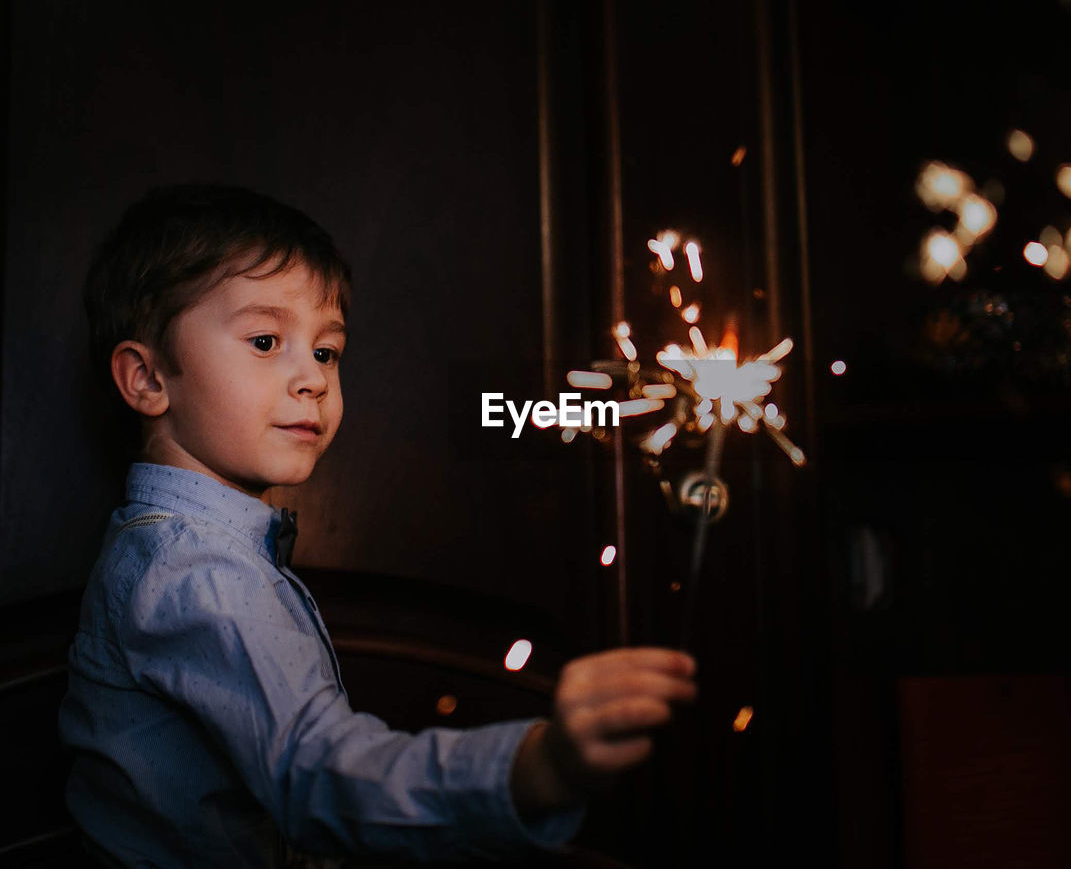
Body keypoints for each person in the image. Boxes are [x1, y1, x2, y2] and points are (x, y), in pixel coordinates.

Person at [59, 184, 698, 867]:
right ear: (147, 378)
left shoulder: (181, 547)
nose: (312, 379)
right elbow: (316, 777)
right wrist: (536, 768)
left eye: (328, 352)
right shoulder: (193, 568)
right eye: (266, 340)